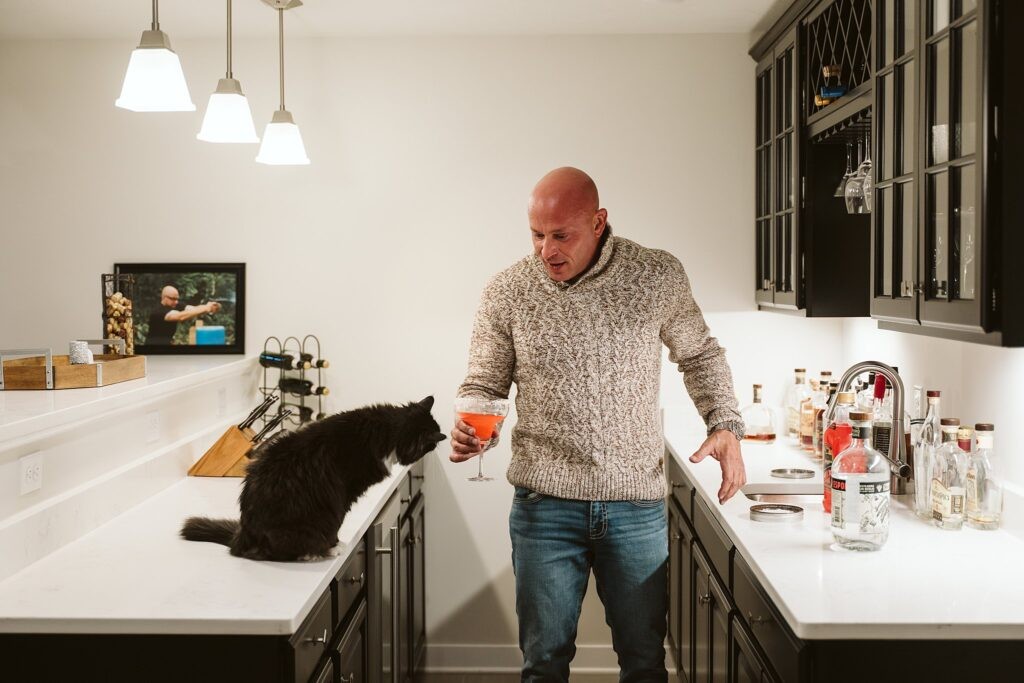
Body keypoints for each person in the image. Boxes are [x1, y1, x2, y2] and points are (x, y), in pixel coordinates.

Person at [451, 167, 746, 681]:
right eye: (536, 235)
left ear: (598, 221)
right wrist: (476, 429)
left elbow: (700, 354)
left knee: (644, 661)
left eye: (560, 236)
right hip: (544, 507)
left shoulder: (655, 275)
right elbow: (485, 384)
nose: (546, 251)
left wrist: (724, 423)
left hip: (635, 504)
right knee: (543, 664)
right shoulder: (507, 290)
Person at [146, 285, 221, 345]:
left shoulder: (175, 304)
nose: (176, 302)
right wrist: (206, 308)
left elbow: (193, 309)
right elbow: (180, 317)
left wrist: (209, 307)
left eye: (177, 299)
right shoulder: (158, 312)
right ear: (164, 298)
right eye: (173, 299)